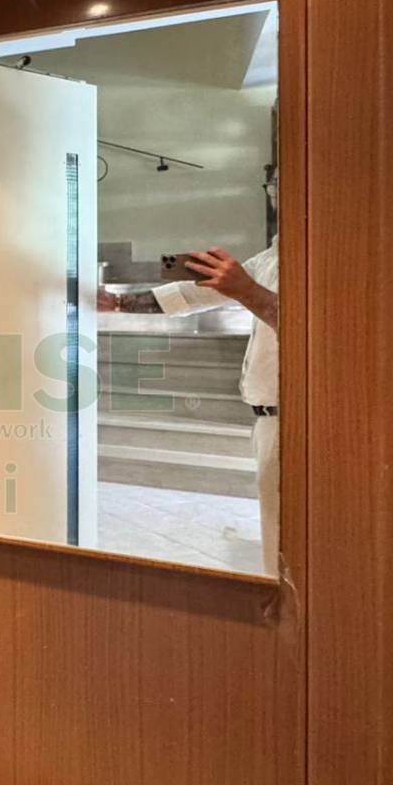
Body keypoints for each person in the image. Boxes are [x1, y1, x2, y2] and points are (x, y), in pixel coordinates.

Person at [98, 178, 280, 575]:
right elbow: (199, 294)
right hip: (268, 420)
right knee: (276, 532)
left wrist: (245, 290)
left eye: (279, 185)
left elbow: (312, 327)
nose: (274, 194)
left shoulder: (325, 254)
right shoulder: (274, 254)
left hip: (301, 421)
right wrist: (120, 302)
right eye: (271, 185)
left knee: (290, 537)